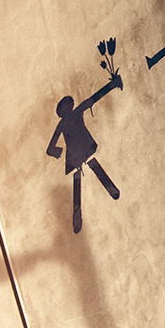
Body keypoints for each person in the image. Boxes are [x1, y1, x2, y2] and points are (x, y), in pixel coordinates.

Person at [46, 71, 123, 233]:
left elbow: (93, 98)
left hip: (78, 152)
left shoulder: (68, 119)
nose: (67, 110)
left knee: (87, 172)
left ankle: (111, 192)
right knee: (82, 177)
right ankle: (78, 218)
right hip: (79, 152)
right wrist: (113, 84)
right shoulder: (70, 118)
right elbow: (50, 147)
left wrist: (113, 84)